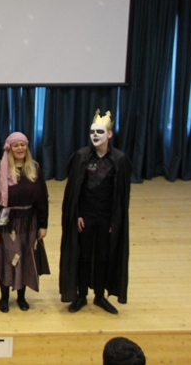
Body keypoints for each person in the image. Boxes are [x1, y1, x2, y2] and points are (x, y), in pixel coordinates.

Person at [59, 110, 132, 314]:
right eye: (92, 132)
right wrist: (77, 214)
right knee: (82, 255)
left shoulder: (119, 160)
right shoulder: (81, 156)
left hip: (107, 218)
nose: (95, 135)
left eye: (100, 132)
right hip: (85, 217)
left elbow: (123, 195)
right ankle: (81, 295)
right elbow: (73, 191)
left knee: (102, 256)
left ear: (109, 134)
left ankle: (100, 296)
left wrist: (115, 221)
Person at [0, 132, 50, 313]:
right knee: (7, 259)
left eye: (23, 145)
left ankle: (21, 296)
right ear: (9, 148)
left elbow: (43, 199)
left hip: (28, 223)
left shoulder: (34, 168)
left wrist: (43, 225)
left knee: (25, 258)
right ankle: (4, 297)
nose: (20, 148)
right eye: (16, 145)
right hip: (6, 223)